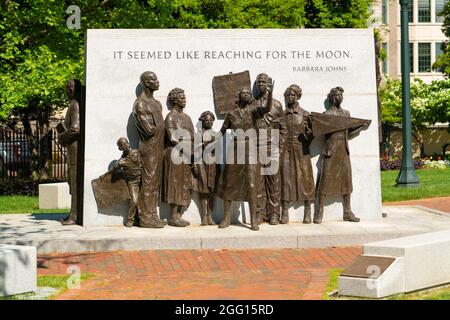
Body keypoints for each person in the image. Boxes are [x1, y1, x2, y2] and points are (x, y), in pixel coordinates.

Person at [217, 82, 274, 231]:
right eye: (244, 93)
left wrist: (270, 93)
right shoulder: (231, 114)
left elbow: (267, 108)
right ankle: (227, 217)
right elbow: (222, 131)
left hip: (250, 148)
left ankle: (253, 220)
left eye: (249, 93)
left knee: (251, 183)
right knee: (229, 182)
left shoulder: (254, 110)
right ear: (239, 96)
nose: (247, 94)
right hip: (234, 148)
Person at [314, 87, 369, 224]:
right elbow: (320, 131)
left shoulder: (346, 113)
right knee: (325, 181)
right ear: (331, 98)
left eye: (341, 95)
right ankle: (319, 211)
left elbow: (348, 133)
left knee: (346, 181)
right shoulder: (326, 114)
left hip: (343, 150)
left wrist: (361, 127)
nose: (339, 97)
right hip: (330, 151)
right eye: (337, 95)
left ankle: (347, 211)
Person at [133, 71, 166, 228]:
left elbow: (157, 128)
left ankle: (153, 214)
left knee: (155, 183)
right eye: (154, 79)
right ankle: (145, 218)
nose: (157, 81)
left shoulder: (157, 103)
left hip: (159, 147)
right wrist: (163, 125)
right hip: (149, 148)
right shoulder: (140, 104)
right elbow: (149, 130)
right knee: (148, 182)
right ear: (146, 83)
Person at [280, 85, 315, 224]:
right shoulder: (282, 114)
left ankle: (308, 212)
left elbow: (312, 134)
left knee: (306, 179)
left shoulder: (306, 114)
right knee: (285, 179)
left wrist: (309, 135)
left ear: (298, 96)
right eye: (287, 95)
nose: (290, 97)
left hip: (302, 149)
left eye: (293, 95)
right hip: (286, 150)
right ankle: (285, 212)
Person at [161, 88, 196, 227]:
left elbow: (192, 136)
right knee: (175, 184)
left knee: (184, 184)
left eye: (184, 97)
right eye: (181, 98)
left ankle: (178, 215)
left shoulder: (187, 118)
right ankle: (173, 216)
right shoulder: (171, 117)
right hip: (175, 154)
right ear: (174, 100)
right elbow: (173, 137)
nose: (184, 100)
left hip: (186, 155)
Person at [253, 73, 284, 224]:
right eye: (258, 82)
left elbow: (283, 128)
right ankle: (260, 213)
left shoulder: (276, 104)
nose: (260, 84)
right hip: (256, 147)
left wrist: (281, 148)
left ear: (269, 84)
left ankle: (274, 214)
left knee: (273, 182)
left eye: (263, 82)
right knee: (258, 182)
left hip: (272, 146)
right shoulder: (252, 104)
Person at [101, 138, 142, 228]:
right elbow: (113, 170)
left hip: (143, 179)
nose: (126, 145)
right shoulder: (121, 161)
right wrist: (104, 175)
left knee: (144, 201)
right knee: (134, 201)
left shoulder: (137, 152)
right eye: (123, 145)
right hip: (133, 182)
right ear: (120, 148)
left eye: (126, 142)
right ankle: (130, 219)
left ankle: (141, 219)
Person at [58, 79, 81, 225]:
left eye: (71, 88)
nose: (69, 90)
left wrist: (61, 137)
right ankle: (73, 213)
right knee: (72, 181)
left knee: (74, 182)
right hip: (72, 147)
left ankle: (74, 216)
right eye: (67, 88)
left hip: (74, 148)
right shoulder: (73, 103)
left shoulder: (74, 104)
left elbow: (75, 128)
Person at [192, 111, 218, 226]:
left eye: (211, 120)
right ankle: (203, 216)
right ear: (202, 121)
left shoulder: (215, 134)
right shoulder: (198, 135)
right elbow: (195, 150)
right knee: (203, 191)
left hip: (212, 163)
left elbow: (216, 149)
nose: (209, 122)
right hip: (201, 163)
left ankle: (210, 216)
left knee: (212, 191)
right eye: (206, 120)